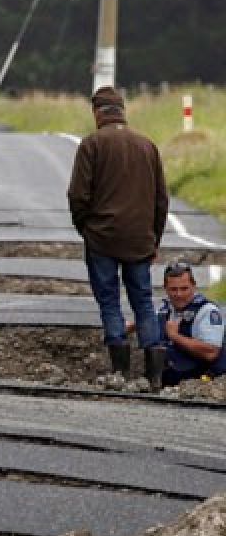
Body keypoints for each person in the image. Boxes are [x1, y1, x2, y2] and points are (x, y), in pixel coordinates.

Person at [67, 85, 170, 391]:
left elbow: (78, 195)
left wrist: (85, 228)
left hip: (102, 238)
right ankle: (154, 376)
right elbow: (161, 200)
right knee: (144, 303)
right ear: (123, 111)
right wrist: (154, 239)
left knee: (110, 303)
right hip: (140, 239)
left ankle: (120, 372)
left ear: (98, 112)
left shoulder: (92, 144)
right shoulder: (147, 146)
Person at [155, 261, 226, 385]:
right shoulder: (165, 308)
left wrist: (175, 336)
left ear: (193, 286)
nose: (179, 294)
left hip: (202, 383)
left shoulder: (207, 311)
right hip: (173, 381)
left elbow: (211, 353)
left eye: (184, 288)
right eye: (173, 289)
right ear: (165, 288)